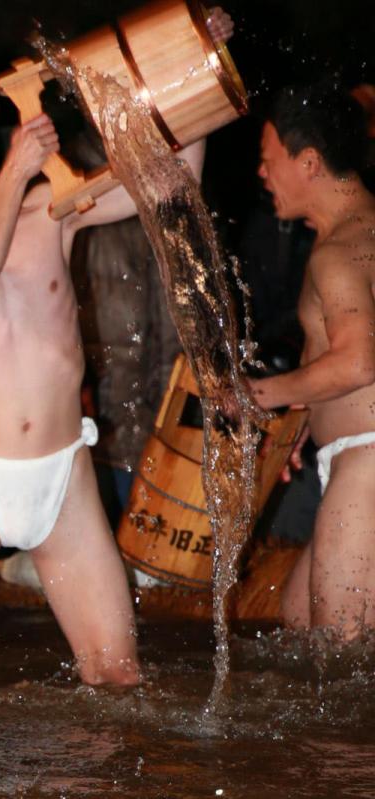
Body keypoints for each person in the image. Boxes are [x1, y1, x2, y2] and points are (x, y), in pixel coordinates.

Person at [0, 3, 231, 692]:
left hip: (64, 472)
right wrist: (15, 168)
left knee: (119, 677)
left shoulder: (49, 210)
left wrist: (191, 67)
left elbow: (170, 179)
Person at [246, 82, 375, 639]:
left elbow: (358, 363)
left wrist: (258, 394)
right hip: (356, 455)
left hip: (369, 463)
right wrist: (307, 409)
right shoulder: (358, 232)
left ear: (309, 162)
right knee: (299, 629)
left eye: (267, 160)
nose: (261, 173)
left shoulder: (338, 250)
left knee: (339, 656)